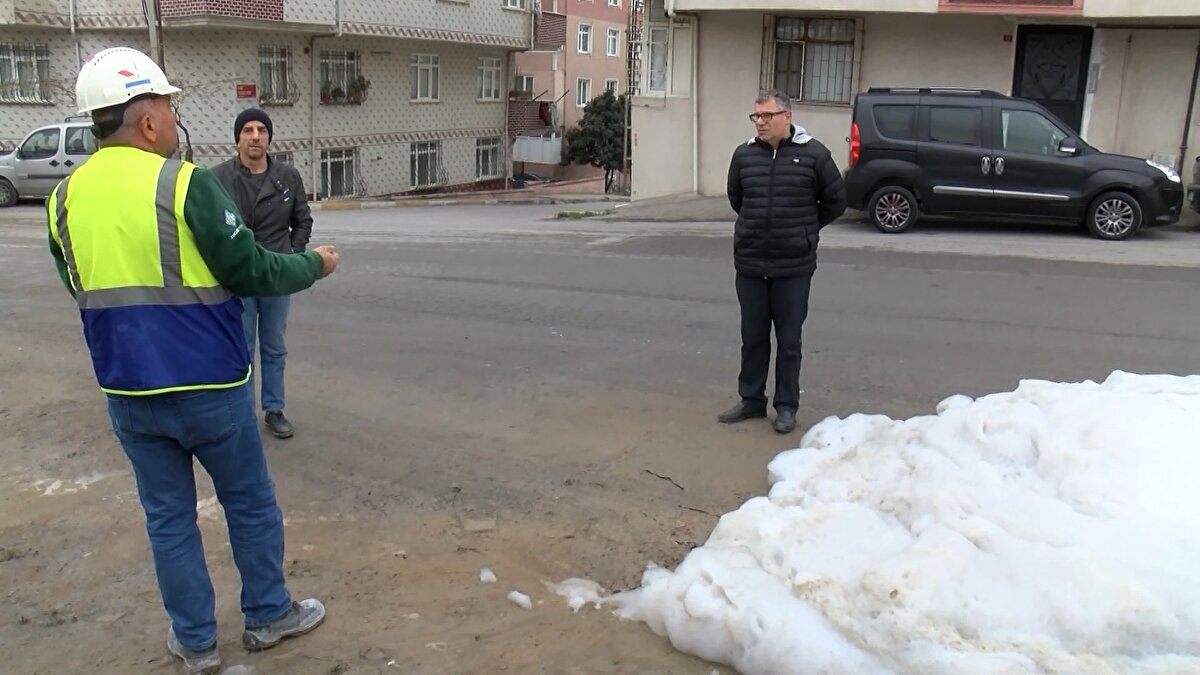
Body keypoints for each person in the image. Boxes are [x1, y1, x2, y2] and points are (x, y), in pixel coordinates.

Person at [45, 47, 339, 675]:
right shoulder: (184, 182)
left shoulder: (63, 198)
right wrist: (314, 264)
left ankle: (196, 643)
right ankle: (268, 615)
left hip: (128, 392)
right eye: (169, 106)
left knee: (168, 519)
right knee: (249, 502)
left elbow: (78, 285)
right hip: (210, 386)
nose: (176, 119)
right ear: (147, 119)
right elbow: (250, 269)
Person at [720, 89, 847, 434]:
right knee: (753, 338)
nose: (760, 122)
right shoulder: (744, 156)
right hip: (751, 264)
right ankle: (751, 400)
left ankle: (787, 406)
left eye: (767, 116)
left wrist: (805, 229)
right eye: (756, 116)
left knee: (789, 341)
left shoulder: (814, 155)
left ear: (787, 117)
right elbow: (737, 198)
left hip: (793, 267)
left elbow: (836, 201)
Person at [212, 108, 312, 439]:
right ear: (237, 139)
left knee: (274, 346)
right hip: (239, 277)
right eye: (248, 130)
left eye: (261, 130)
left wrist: (292, 257)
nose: (255, 136)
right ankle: (242, 412)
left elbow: (303, 220)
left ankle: (274, 409)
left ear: (269, 138)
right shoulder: (218, 178)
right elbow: (210, 227)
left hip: (275, 276)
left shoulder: (287, 176)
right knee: (241, 348)